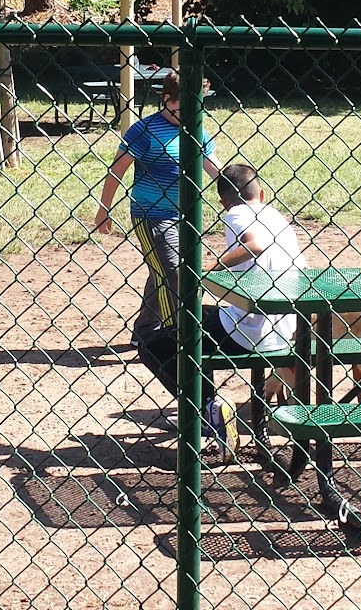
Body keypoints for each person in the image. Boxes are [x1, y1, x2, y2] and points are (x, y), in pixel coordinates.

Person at [126, 162, 306, 457]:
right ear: (262, 194)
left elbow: (256, 244)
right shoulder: (276, 217)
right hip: (286, 326)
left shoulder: (236, 213)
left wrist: (207, 268)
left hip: (250, 331)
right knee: (191, 321)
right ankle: (210, 407)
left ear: (222, 201)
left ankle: (210, 409)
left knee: (153, 346)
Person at [91, 78, 228, 438]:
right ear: (167, 100)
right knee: (175, 276)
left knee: (160, 272)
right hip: (151, 215)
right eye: (184, 108)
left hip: (186, 215)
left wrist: (240, 194)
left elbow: (213, 168)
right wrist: (104, 210)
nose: (191, 115)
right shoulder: (144, 130)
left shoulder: (196, 128)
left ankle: (144, 332)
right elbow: (117, 170)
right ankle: (176, 337)